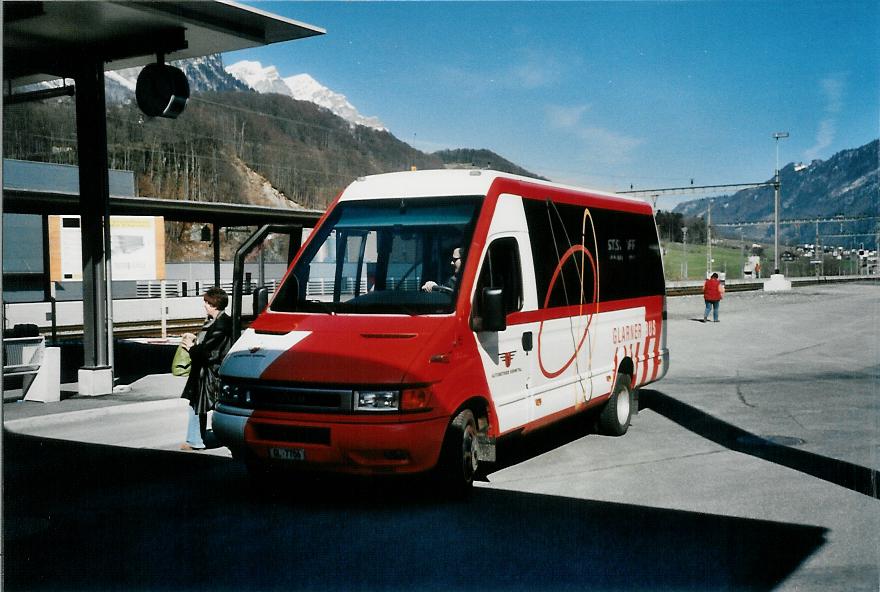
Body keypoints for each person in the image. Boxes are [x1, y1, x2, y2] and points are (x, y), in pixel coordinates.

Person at [180, 286, 232, 450]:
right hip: (206, 370)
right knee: (197, 405)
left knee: (197, 405)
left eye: (206, 302)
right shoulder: (216, 321)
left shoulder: (220, 324)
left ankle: (196, 440)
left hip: (209, 372)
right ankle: (195, 439)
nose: (204, 305)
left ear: (214, 304)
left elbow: (208, 350)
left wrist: (190, 347)